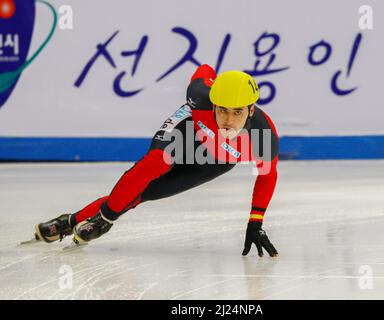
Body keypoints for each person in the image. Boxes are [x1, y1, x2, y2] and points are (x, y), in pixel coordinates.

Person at [34, 64, 279, 257]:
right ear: (213, 103)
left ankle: (68, 222)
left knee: (145, 193)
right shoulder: (200, 95)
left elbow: (267, 176)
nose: (228, 120)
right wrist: (108, 217)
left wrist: (255, 223)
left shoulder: (263, 138)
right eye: (222, 109)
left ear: (251, 110)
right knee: (156, 162)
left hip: (217, 159)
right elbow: (204, 70)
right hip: (189, 130)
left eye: (237, 112)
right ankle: (103, 219)